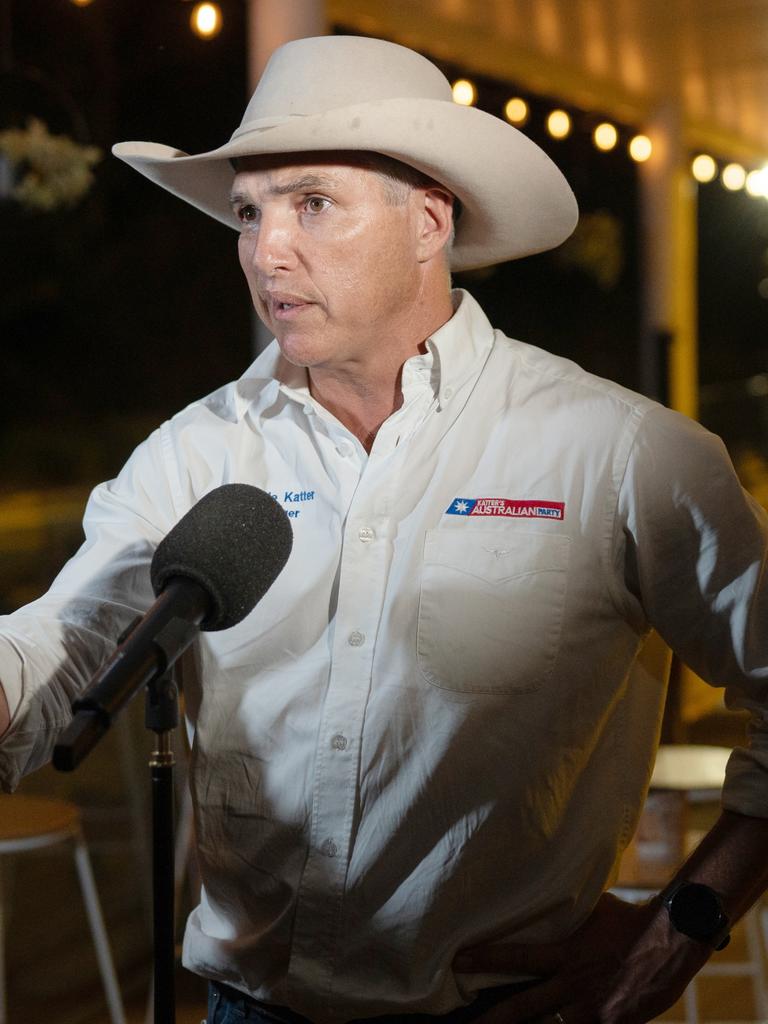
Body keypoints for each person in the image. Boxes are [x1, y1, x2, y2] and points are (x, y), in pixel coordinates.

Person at [1, 33, 768, 1024]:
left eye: (312, 203)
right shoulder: (197, 453)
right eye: (247, 212)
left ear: (429, 222)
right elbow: (67, 642)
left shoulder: (621, 453)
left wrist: (682, 927)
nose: (265, 248)